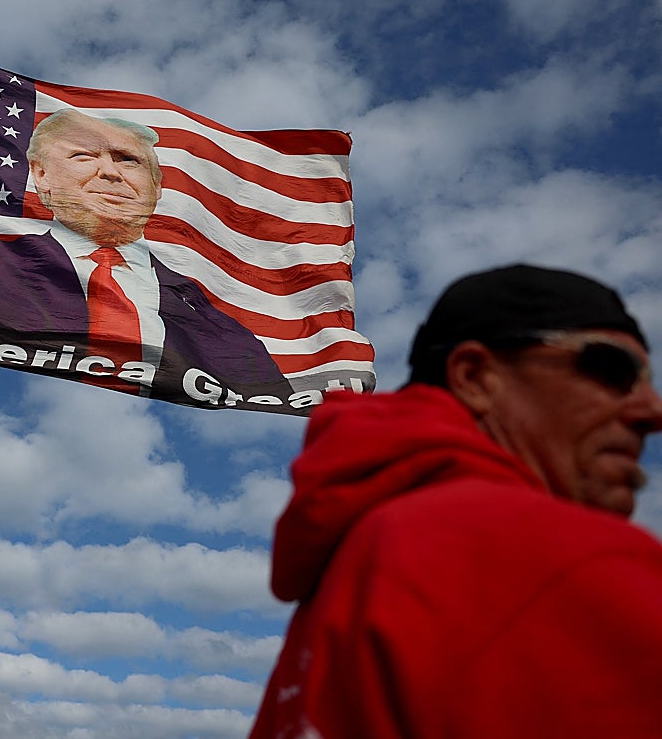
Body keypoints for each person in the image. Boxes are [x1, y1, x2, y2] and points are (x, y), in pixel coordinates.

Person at [248, 263, 662, 738]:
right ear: (475, 377)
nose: (651, 411)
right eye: (611, 368)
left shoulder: (345, 583)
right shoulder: (563, 561)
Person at [0, 73, 292, 408]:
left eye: (129, 161)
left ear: (157, 188)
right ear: (43, 178)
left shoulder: (210, 321)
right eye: (85, 156)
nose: (109, 171)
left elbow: (271, 396)